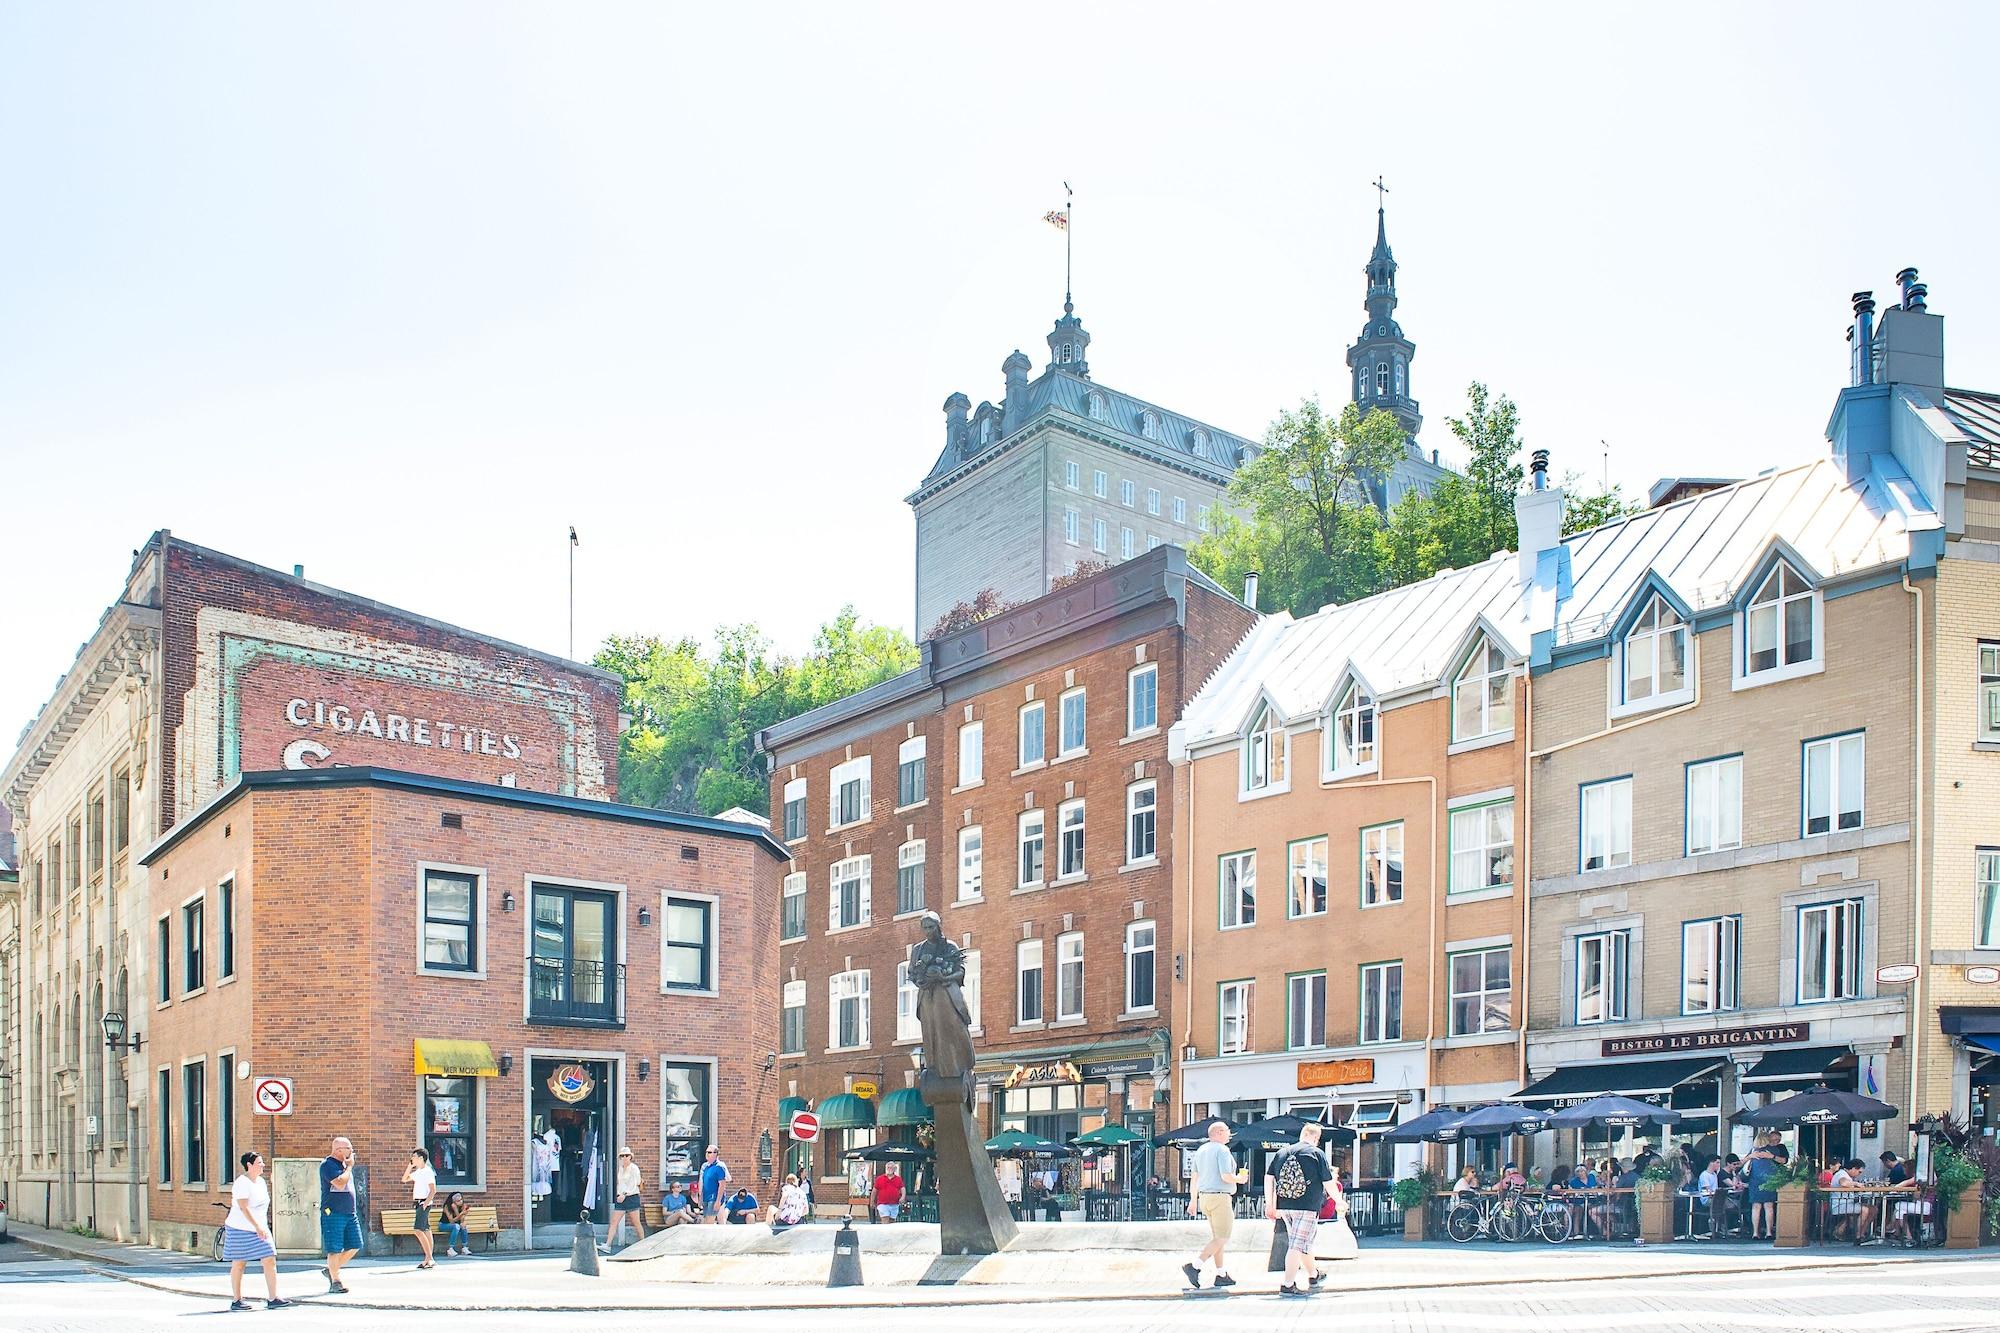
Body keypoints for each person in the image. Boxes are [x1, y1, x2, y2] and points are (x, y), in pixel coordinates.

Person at [1264, 1122, 1333, 1298]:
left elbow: (1269, 1178)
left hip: (1285, 1206)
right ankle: (1288, 1285)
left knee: (1303, 1243)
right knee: (1296, 1245)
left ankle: (1313, 1275)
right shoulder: (1316, 1153)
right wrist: (1339, 1201)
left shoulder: (1282, 1153)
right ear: (1315, 1137)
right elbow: (1328, 1181)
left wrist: (1270, 1204)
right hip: (1307, 1206)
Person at [1182, 1120, 1247, 1290]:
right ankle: (1195, 1266)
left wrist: (1193, 1200)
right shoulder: (1222, 1150)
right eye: (1227, 1131)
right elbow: (1226, 1176)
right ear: (1219, 1133)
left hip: (1204, 1197)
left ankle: (1221, 1274)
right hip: (1220, 1197)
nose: (1229, 1134)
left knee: (1217, 1238)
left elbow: (1194, 1178)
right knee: (1222, 1237)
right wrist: (1239, 1179)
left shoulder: (1201, 1150)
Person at [224, 1151, 291, 1311]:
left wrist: (262, 1226)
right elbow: (244, 1207)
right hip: (240, 1228)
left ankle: (273, 1297)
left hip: (260, 1227)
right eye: (259, 1163)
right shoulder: (242, 1182)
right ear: (249, 1165)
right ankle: (237, 1300)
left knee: (269, 1258)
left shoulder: (260, 1182)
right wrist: (257, 1226)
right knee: (239, 1263)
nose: (263, 1165)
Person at [319, 1135, 361, 1294]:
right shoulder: (328, 1165)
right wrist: (349, 1167)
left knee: (355, 1245)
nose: (352, 1151)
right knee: (334, 1248)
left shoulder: (344, 1164)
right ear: (338, 1150)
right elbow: (339, 1183)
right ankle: (336, 1281)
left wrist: (347, 1166)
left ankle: (331, 1269)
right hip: (333, 1212)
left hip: (350, 1212)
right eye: (348, 1148)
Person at [602, 1146, 648, 1252]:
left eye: (627, 1155)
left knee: (636, 1222)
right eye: (622, 1156)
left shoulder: (634, 1168)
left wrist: (624, 1194)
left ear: (630, 1157)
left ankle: (644, 1244)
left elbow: (635, 1184)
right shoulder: (621, 1168)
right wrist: (619, 1194)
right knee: (614, 1221)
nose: (624, 1157)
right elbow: (620, 1183)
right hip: (621, 1199)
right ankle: (608, 1245)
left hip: (632, 1197)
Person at [401, 1147, 439, 1269]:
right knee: (426, 1229)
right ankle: (428, 1259)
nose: (412, 1158)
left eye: (414, 1157)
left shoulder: (428, 1171)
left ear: (421, 1158)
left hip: (423, 1203)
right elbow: (404, 1179)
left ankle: (429, 1257)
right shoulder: (418, 1172)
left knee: (418, 1230)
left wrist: (426, 1203)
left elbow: (433, 1190)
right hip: (418, 1202)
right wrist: (410, 1166)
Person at [1746, 1135, 1783, 1240]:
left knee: (1756, 1207)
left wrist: (1750, 1156)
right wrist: (1771, 1156)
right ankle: (1769, 1232)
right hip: (1769, 1181)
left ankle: (1755, 1233)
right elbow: (1783, 1161)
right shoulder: (1773, 1150)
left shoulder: (1753, 1151)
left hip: (1755, 1181)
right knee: (1769, 1207)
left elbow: (1741, 1164)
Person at [699, 1145, 731, 1223]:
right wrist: (700, 1197)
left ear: (716, 1154)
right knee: (707, 1221)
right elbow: (702, 1183)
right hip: (706, 1197)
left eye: (709, 1152)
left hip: (714, 1198)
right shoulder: (705, 1167)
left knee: (709, 1222)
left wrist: (718, 1201)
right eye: (706, 1152)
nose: (707, 1154)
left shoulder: (719, 1166)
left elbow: (723, 1184)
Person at [439, 1191, 471, 1257]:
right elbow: (451, 1221)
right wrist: (461, 1213)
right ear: (453, 1201)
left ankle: (464, 1247)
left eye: (461, 1199)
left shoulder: (462, 1206)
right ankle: (450, 1249)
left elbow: (461, 1221)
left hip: (455, 1226)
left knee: (463, 1226)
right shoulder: (447, 1207)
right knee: (456, 1226)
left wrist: (463, 1215)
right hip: (444, 1225)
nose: (461, 1202)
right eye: (458, 1201)